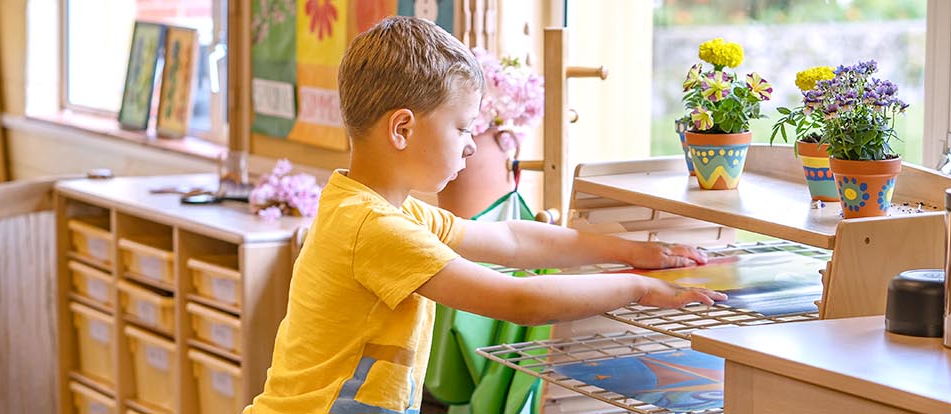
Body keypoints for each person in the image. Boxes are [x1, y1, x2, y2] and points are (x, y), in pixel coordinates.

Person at [245, 16, 724, 414]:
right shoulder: (375, 229)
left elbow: (514, 240)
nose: (472, 143)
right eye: (461, 127)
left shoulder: (383, 209)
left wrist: (639, 251)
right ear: (403, 129)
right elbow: (517, 299)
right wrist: (637, 286)